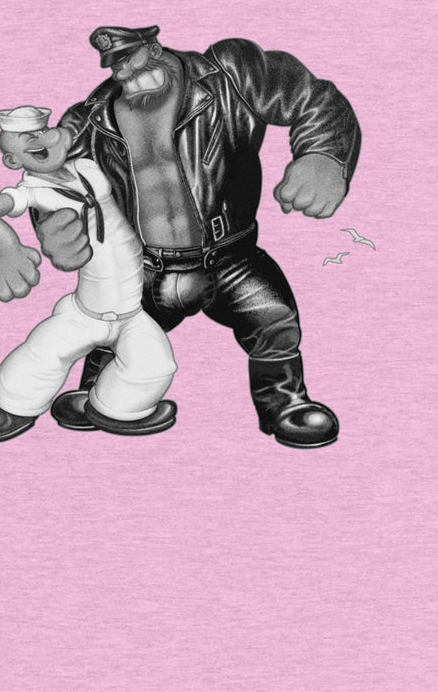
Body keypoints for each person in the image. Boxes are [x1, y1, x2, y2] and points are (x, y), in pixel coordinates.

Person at [38, 25, 362, 448]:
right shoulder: (88, 119)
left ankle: (286, 403)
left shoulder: (231, 73)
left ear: (153, 46)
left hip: (232, 257)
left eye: (130, 59)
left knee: (273, 319)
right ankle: (99, 393)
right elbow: (56, 183)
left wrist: (324, 154)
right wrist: (55, 226)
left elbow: (312, 97)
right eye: (115, 66)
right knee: (112, 327)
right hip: (141, 267)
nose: (123, 74)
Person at [0, 104, 177, 441]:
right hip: (88, 311)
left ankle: (109, 407)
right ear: (12, 160)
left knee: (156, 364)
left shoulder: (87, 167)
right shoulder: (32, 191)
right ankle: (7, 405)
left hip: (131, 311)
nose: (39, 139)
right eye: (26, 138)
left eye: (42, 131)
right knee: (44, 354)